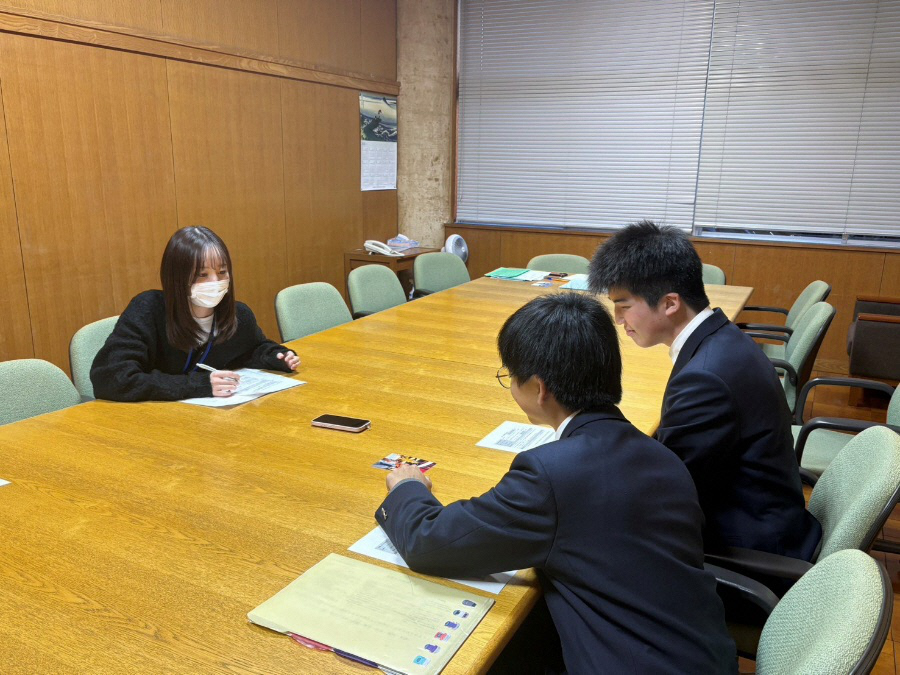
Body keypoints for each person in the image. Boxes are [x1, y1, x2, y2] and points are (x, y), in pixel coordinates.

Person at [375, 293, 736, 674]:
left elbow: (430, 542)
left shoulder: (550, 475)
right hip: (703, 657)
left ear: (539, 388)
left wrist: (408, 488)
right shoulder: (659, 453)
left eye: (510, 377)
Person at [588, 220, 821, 561]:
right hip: (765, 514)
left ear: (670, 303)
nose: (618, 319)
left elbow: (666, 493)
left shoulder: (705, 379)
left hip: (749, 551)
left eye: (623, 306)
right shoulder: (721, 339)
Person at [91, 226, 299, 402]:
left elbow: (251, 349)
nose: (215, 282)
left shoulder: (238, 314)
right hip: (150, 420)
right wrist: (198, 385)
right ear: (177, 278)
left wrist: (276, 357)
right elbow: (112, 378)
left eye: (222, 272)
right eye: (202, 274)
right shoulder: (148, 310)